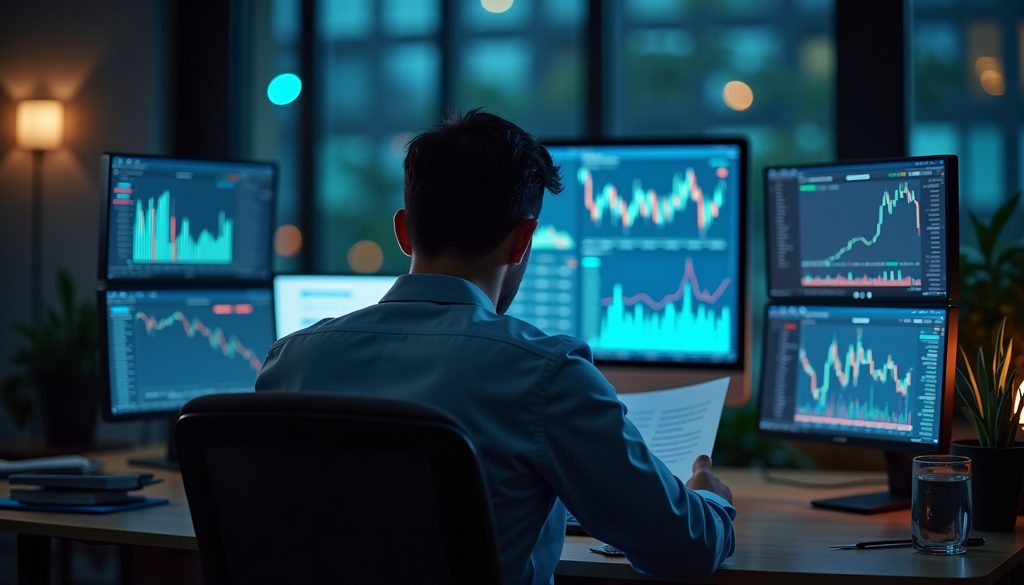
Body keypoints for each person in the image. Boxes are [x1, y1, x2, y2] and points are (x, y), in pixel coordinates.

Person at [256, 109, 736, 585]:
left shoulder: (290, 361)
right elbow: (683, 550)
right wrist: (709, 500)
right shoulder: (546, 373)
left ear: (403, 231)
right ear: (522, 241)